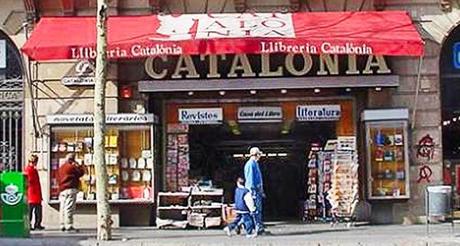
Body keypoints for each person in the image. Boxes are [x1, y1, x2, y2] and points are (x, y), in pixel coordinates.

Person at [57, 153, 85, 232]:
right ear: (72, 159)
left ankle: (62, 224)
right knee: (69, 207)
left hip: (62, 189)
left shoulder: (61, 167)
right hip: (70, 188)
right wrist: (79, 165)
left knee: (62, 207)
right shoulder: (72, 167)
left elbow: (57, 177)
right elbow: (81, 173)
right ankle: (68, 224)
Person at [244, 147, 265, 235]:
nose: (260, 156)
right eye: (259, 154)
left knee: (257, 210)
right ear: (256, 155)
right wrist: (252, 191)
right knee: (255, 210)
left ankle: (259, 227)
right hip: (253, 191)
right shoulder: (250, 164)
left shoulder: (255, 164)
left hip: (257, 190)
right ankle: (257, 228)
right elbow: (250, 179)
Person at [24, 154, 44, 230]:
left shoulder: (32, 169)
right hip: (32, 193)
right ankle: (32, 224)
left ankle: (37, 224)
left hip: (35, 193)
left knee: (37, 211)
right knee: (31, 211)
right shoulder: (29, 170)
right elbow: (29, 182)